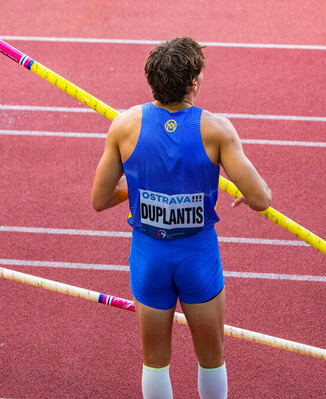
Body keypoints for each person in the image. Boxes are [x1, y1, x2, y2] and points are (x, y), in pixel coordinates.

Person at [91, 37, 271, 399]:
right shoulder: (216, 129)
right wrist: (238, 191)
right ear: (193, 83)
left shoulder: (125, 125)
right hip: (197, 257)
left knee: (155, 361)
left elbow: (99, 199)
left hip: (149, 256)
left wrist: (140, 189)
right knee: (211, 358)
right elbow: (261, 198)